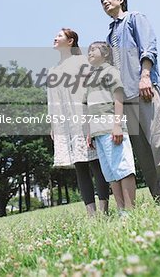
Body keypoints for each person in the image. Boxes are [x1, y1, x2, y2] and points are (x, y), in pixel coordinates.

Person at [100, 0, 160, 205]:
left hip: (143, 89)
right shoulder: (109, 35)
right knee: (143, 153)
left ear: (120, 0)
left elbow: (149, 47)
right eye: (102, 1)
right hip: (126, 100)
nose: (104, 1)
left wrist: (145, 76)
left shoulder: (134, 18)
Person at [47, 28, 110, 215]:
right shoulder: (53, 70)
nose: (55, 38)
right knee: (79, 166)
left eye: (59, 35)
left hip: (84, 115)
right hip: (66, 122)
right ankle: (91, 214)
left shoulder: (83, 62)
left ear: (70, 41)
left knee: (95, 161)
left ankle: (104, 210)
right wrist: (53, 124)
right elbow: (52, 100)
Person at [85, 41, 136, 216]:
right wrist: (90, 132)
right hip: (98, 132)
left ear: (106, 54)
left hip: (111, 127)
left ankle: (130, 211)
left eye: (94, 49)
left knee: (122, 168)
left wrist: (117, 125)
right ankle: (121, 210)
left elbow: (118, 98)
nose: (89, 52)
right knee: (111, 173)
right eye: (88, 50)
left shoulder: (110, 72)